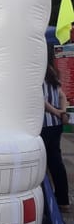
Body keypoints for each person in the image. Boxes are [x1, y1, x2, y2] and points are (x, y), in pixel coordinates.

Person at [42, 63, 70, 212]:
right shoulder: (52, 72)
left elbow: (40, 101)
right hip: (56, 125)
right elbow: (62, 95)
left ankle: (45, 200)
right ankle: (63, 200)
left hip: (43, 125)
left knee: (41, 164)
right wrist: (62, 112)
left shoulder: (35, 73)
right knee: (56, 162)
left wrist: (55, 112)